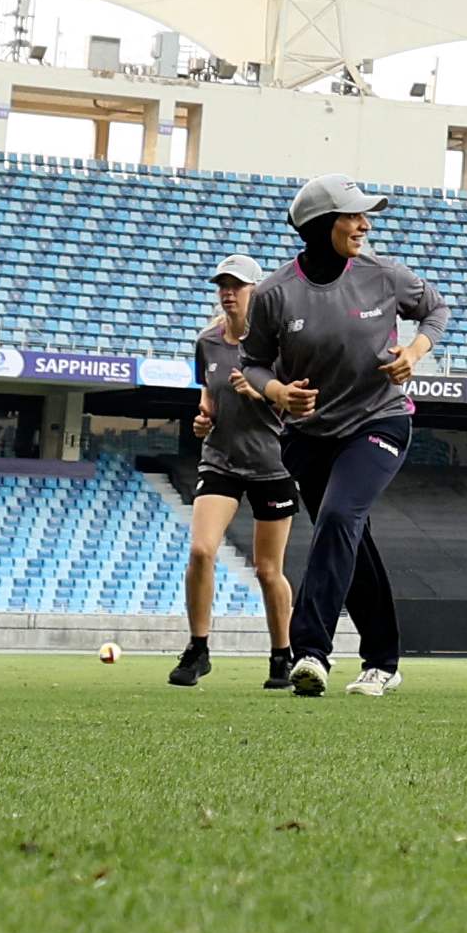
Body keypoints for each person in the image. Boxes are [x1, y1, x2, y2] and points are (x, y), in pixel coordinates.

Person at [236, 176, 443, 698]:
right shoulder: (274, 294)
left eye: (364, 216)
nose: (365, 225)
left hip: (380, 421)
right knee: (351, 539)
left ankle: (309, 652)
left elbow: (436, 310)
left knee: (337, 517)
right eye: (353, 216)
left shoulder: (385, 275)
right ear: (321, 225)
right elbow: (254, 363)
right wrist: (278, 392)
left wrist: (414, 353)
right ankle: (383, 661)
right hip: (308, 438)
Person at [179, 258, 298, 689]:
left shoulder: (280, 346)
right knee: (200, 550)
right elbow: (207, 396)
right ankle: (197, 649)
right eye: (222, 286)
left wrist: (261, 392)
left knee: (269, 570)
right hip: (221, 461)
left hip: (272, 464)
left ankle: (281, 655)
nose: (228, 293)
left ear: (256, 292)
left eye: (237, 286)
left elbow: (298, 405)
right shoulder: (207, 342)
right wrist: (202, 419)